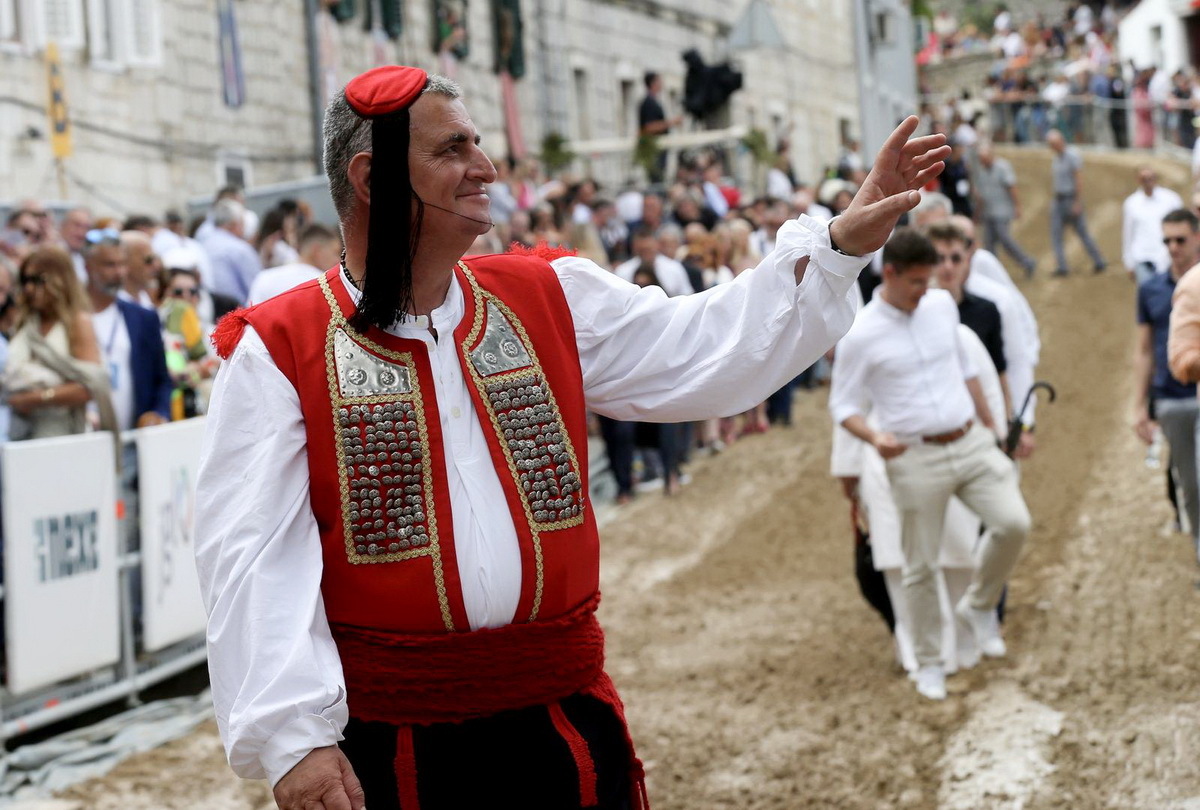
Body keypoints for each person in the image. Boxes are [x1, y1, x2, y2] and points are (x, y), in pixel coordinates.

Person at [194, 64, 948, 809]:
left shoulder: (545, 294)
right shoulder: (278, 347)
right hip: (396, 741)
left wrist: (838, 247)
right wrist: (294, 740)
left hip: (560, 718)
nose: (485, 167)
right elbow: (251, 555)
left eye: (478, 144)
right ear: (373, 177)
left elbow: (700, 347)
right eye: (452, 150)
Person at [829, 228, 1031, 701]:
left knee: (1014, 523)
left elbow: (965, 370)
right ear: (890, 274)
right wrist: (875, 436)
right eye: (918, 281)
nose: (927, 290)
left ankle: (978, 607)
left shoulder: (940, 306)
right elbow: (843, 407)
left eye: (930, 280)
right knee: (919, 566)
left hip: (969, 440)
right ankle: (930, 662)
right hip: (914, 456)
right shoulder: (859, 334)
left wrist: (991, 428)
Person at [4, 247, 114, 439]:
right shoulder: (24, 322)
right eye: (25, 280)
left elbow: (92, 385)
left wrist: (33, 399)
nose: (29, 288)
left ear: (60, 280)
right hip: (19, 431)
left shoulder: (78, 322)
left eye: (38, 280)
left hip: (61, 433)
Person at [1141, 210, 1200, 543]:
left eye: (1180, 239)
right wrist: (1141, 407)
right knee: (1190, 483)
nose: (1173, 247)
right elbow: (1145, 350)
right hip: (1172, 396)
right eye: (1167, 241)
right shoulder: (1154, 289)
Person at [83, 229, 173, 431]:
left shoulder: (143, 317)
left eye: (122, 264)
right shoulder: (69, 316)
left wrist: (159, 413)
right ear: (88, 267)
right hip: (84, 440)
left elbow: (162, 379)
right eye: (109, 265)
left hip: (134, 440)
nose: (119, 272)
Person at [970, 140, 1037, 277]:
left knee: (1005, 239)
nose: (982, 161)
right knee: (988, 244)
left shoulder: (1003, 167)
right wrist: (977, 215)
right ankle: (992, 273)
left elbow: (1011, 187)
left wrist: (1017, 206)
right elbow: (981, 196)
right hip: (988, 213)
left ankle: (1027, 262)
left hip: (1002, 211)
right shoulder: (981, 172)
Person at [1047, 129, 1107, 276]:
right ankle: (1062, 267)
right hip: (1059, 200)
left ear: (1061, 141)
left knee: (1082, 232)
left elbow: (1078, 179)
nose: (1052, 147)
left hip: (1070, 199)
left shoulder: (1072, 156)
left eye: (1054, 143)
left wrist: (1077, 201)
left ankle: (1099, 261)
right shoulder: (1056, 158)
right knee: (1056, 235)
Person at [248, 223, 342, 304]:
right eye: (335, 252)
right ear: (317, 251)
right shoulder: (327, 287)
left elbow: (250, 322)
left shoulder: (264, 278)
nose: (338, 259)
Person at [1123, 167, 1184, 285]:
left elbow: (1181, 227)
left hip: (1166, 256)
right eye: (1144, 179)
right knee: (1149, 294)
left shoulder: (1171, 199)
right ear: (1138, 180)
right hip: (1142, 256)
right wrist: (1128, 262)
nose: (1148, 181)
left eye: (1150, 178)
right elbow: (1128, 233)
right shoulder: (1131, 203)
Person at [200, 199, 262, 305]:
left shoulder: (202, 243)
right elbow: (257, 286)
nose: (245, 227)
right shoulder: (240, 249)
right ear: (234, 224)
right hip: (237, 313)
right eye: (243, 222)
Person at [614, 226, 694, 296]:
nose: (646, 254)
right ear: (634, 248)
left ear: (657, 245)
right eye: (642, 250)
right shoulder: (623, 271)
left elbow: (687, 295)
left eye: (649, 250)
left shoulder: (674, 267)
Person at [638, 72, 681, 183]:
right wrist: (671, 123)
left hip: (658, 149)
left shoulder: (654, 101)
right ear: (653, 83)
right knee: (656, 180)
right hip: (654, 150)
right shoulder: (648, 103)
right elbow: (649, 127)